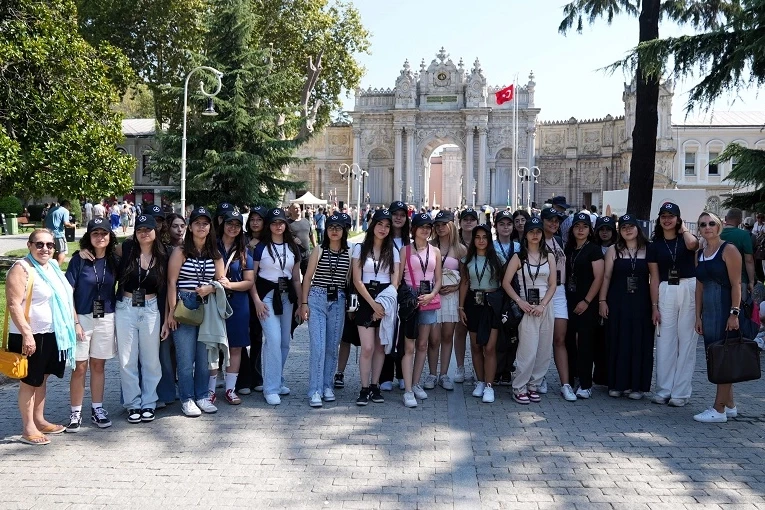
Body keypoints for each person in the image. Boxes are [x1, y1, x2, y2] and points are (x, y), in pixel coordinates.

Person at [5, 229, 77, 445]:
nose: (45, 249)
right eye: (39, 244)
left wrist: (74, 323)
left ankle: (39, 419)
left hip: (52, 332)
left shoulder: (53, 267)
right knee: (29, 381)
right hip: (29, 334)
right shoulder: (21, 268)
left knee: (42, 377)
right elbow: (13, 305)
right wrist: (27, 334)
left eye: (49, 245)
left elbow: (65, 297)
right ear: (29, 246)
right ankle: (28, 428)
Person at [167, 206, 225, 416]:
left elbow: (221, 281)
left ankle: (202, 395)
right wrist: (172, 313)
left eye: (205, 223)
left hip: (208, 306)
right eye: (197, 223)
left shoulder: (216, 254)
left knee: (204, 357)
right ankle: (187, 398)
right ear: (190, 227)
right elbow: (172, 283)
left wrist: (211, 287)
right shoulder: (181, 251)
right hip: (185, 304)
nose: (201, 227)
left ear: (210, 227)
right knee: (185, 358)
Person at [64, 218, 118, 431]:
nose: (100, 237)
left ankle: (97, 409)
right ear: (89, 236)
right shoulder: (79, 260)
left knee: (98, 365)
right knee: (80, 367)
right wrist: (75, 321)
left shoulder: (115, 259)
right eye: (95, 233)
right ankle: (75, 412)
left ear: (110, 236)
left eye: (104, 233)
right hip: (82, 317)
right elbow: (68, 293)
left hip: (106, 317)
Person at [114, 214, 167, 423]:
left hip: (151, 308)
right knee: (127, 359)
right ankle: (133, 404)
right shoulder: (126, 249)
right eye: (139, 230)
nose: (144, 233)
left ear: (155, 232)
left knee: (151, 359)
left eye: (148, 229)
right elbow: (101, 249)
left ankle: (149, 402)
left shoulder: (164, 254)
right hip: (126, 308)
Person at [647, 202, 699, 407]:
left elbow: (693, 245)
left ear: (678, 218)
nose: (667, 220)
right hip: (666, 290)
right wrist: (654, 306)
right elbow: (654, 277)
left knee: (687, 341)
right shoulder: (655, 245)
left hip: (688, 287)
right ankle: (664, 389)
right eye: (663, 216)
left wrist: (684, 228)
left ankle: (681, 392)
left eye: (671, 216)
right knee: (665, 341)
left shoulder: (685, 239)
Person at [693, 211, 743, 423]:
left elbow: (736, 285)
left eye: (711, 223)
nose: (707, 227)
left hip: (724, 309)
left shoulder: (728, 249)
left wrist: (734, 313)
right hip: (709, 313)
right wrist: (697, 316)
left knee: (723, 360)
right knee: (717, 358)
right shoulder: (700, 253)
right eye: (703, 224)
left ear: (719, 226)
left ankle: (718, 409)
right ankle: (730, 405)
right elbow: (699, 287)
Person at [502, 217, 557, 405]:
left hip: (545, 307)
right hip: (526, 308)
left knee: (543, 349)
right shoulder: (519, 257)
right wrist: (520, 301)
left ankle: (534, 385)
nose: (535, 235)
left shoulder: (549, 256)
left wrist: (543, 305)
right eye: (531, 232)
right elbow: (506, 283)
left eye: (538, 232)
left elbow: (553, 284)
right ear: (526, 235)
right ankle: (519, 386)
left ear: (542, 235)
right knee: (528, 350)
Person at [599, 214, 654, 400]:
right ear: (619, 231)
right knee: (617, 340)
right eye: (623, 227)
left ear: (638, 228)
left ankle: (636, 386)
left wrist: (655, 306)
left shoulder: (648, 249)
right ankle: (616, 384)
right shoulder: (613, 250)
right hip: (617, 301)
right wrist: (602, 301)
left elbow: (654, 279)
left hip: (641, 301)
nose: (628, 230)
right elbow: (606, 277)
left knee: (639, 341)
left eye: (631, 226)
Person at [252, 207, 302, 406]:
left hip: (287, 297)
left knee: (284, 342)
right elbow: (252, 277)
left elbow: (296, 278)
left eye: (281, 222)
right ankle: (270, 388)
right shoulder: (261, 247)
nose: (278, 226)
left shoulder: (292, 247)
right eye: (274, 223)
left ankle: (277, 379)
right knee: (272, 339)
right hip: (266, 297)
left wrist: (301, 303)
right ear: (269, 225)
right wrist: (256, 300)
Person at [300, 213, 351, 407]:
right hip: (317, 299)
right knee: (318, 347)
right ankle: (314, 390)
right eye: (331, 227)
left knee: (331, 347)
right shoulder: (319, 250)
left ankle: (327, 385)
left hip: (338, 300)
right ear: (326, 230)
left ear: (344, 230)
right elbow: (307, 277)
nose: (335, 231)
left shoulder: (350, 252)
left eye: (338, 227)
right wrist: (303, 303)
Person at [352, 208, 400, 406]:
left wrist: (382, 304)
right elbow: (356, 279)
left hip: (386, 298)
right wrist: (373, 304)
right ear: (373, 226)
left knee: (381, 347)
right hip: (365, 298)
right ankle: (363, 388)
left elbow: (395, 282)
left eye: (387, 226)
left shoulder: (394, 251)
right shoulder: (359, 248)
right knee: (368, 347)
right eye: (380, 224)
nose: (383, 229)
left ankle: (375, 385)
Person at [458, 224, 504, 403]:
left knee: (490, 347)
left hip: (492, 304)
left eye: (484, 237)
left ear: (489, 239)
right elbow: (464, 283)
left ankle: (490, 386)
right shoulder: (466, 260)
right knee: (476, 346)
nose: (481, 240)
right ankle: (481, 381)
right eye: (477, 237)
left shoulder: (498, 258)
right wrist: (461, 307)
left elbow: (504, 282)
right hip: (473, 303)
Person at [400, 213, 442, 407]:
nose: (425, 230)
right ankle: (408, 389)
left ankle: (416, 383)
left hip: (429, 298)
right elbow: (399, 278)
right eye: (421, 226)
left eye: (428, 227)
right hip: (411, 298)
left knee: (423, 344)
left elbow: (439, 278)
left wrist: (432, 294)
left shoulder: (435, 251)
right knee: (409, 346)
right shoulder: (405, 250)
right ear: (413, 229)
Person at [214, 211, 254, 405]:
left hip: (238, 302)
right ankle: (210, 390)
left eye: (237, 225)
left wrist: (230, 285)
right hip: (214, 301)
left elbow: (249, 282)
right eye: (230, 223)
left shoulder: (244, 251)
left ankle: (230, 389)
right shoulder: (211, 246)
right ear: (223, 224)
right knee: (213, 346)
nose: (233, 228)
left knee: (236, 346)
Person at [563, 212, 604, 399]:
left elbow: (599, 278)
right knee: (569, 341)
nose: (581, 229)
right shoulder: (569, 248)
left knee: (585, 342)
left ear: (590, 230)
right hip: (569, 300)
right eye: (577, 226)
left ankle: (586, 384)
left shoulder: (594, 250)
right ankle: (571, 379)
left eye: (585, 226)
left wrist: (587, 301)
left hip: (587, 302)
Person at [426, 211, 465, 391]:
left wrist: (456, 288)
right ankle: (432, 373)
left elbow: (466, 278)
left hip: (451, 296)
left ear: (451, 224)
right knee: (433, 338)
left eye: (444, 224)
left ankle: (444, 374)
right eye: (438, 224)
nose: (440, 228)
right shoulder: (429, 246)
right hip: (433, 296)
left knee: (448, 335)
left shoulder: (461, 249)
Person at [541, 207, 575, 401]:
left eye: (557, 221)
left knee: (560, 338)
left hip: (560, 291)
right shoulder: (534, 240)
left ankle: (565, 383)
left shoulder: (560, 241)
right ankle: (540, 376)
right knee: (542, 338)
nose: (554, 224)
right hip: (541, 291)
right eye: (550, 220)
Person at [236, 206, 268, 394]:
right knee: (241, 336)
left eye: (259, 219)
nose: (255, 222)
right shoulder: (243, 239)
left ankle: (257, 376)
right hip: (242, 291)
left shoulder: (269, 240)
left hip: (262, 293)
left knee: (257, 336)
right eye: (253, 219)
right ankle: (243, 378)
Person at [379, 200, 409, 391]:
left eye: (402, 215)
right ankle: (385, 374)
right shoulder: (382, 239)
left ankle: (402, 373)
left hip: (404, 291)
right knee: (386, 331)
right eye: (395, 214)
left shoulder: (410, 242)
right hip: (386, 290)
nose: (398, 218)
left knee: (403, 332)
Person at [493, 209, 520, 386]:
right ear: (495, 226)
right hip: (496, 293)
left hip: (514, 293)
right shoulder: (490, 246)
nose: (505, 227)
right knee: (497, 334)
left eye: (508, 224)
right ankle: (496, 369)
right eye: (501, 224)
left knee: (513, 332)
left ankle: (508, 369)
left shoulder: (518, 247)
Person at [453, 207, 479, 383]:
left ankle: (478, 370)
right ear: (460, 222)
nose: (468, 222)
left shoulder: (482, 240)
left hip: (477, 292)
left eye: (472, 219)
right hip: (458, 290)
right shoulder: (455, 242)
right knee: (460, 330)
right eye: (465, 219)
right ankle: (460, 367)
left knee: (476, 333)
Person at [592, 215, 617, 385]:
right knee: (597, 338)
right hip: (594, 297)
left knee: (611, 338)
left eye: (608, 229)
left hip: (612, 297)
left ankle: (611, 374)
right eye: (602, 229)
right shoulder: (593, 249)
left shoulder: (618, 249)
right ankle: (599, 374)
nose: (605, 233)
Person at [720, 208, 755, 304]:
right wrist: (751, 281)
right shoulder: (744, 235)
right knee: (739, 309)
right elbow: (749, 260)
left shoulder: (717, 234)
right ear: (740, 221)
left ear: (726, 218)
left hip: (718, 278)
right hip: (740, 279)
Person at [44, 200, 75, 265]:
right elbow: (66, 223)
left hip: (49, 234)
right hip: (59, 234)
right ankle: (57, 269)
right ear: (67, 205)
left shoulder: (52, 209)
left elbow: (44, 221)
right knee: (62, 252)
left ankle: (49, 267)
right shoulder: (65, 211)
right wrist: (72, 225)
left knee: (51, 251)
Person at [287, 203, 314, 276]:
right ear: (291, 210)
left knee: (307, 275)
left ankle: (305, 287)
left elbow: (311, 234)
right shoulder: (287, 223)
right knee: (294, 276)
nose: (298, 209)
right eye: (295, 208)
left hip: (306, 253)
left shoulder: (305, 221)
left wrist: (315, 247)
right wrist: (292, 239)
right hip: (294, 253)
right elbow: (284, 236)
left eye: (299, 207)